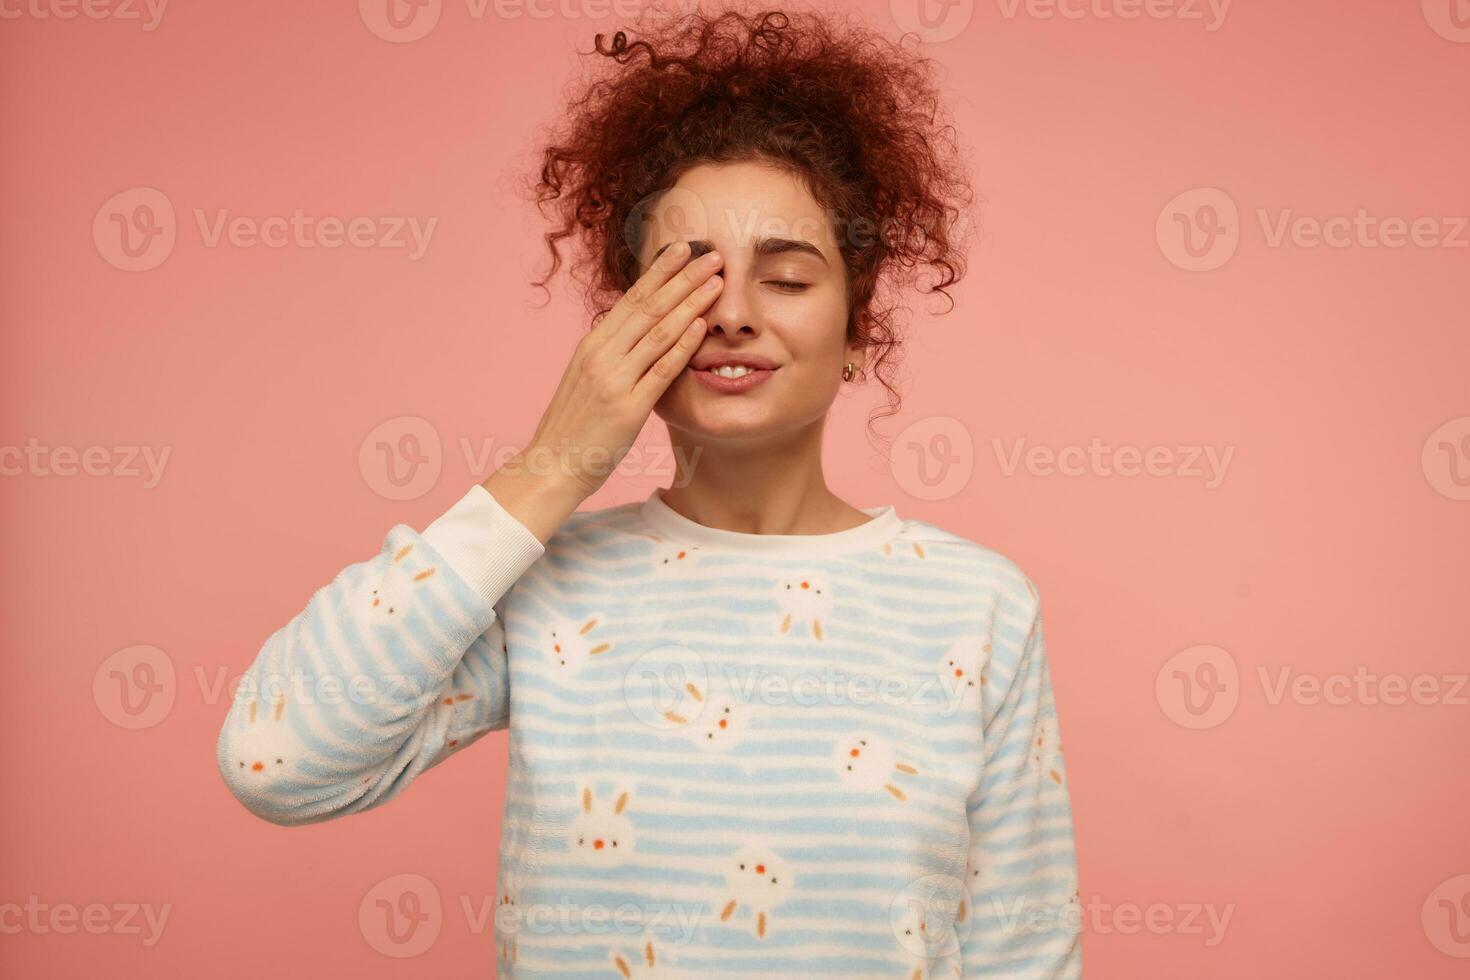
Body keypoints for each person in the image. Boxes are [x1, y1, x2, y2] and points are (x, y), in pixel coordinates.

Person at [216, 7, 1082, 977]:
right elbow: (277, 758)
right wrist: (554, 461)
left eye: (788, 278)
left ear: (857, 327)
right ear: (625, 320)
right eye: (690, 278)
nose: (737, 315)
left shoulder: (977, 605)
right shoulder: (548, 584)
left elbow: (1024, 948)